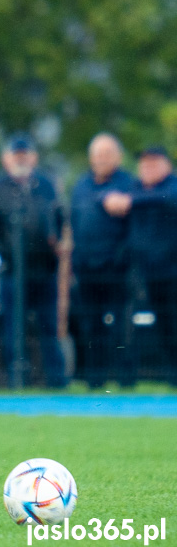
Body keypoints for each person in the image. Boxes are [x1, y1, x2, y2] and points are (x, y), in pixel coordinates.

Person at [0, 133, 67, 389]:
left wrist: (55, 243)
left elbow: (59, 217)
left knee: (49, 327)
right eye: (16, 156)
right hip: (14, 271)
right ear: (6, 159)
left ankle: (56, 382)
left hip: (44, 270)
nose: (21, 160)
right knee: (13, 328)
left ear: (34, 158)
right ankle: (14, 382)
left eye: (25, 155)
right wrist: (8, 252)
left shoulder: (46, 185)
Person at [103, 146, 177, 387]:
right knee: (161, 326)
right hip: (146, 272)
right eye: (144, 164)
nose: (148, 168)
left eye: (154, 163)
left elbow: (168, 197)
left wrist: (129, 201)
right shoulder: (136, 188)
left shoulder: (170, 187)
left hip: (172, 270)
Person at [69, 133, 132, 389]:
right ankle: (95, 381)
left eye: (107, 154)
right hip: (86, 269)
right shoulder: (82, 185)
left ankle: (125, 380)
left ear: (118, 157)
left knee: (120, 326)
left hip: (117, 269)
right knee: (91, 326)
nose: (101, 159)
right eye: (97, 155)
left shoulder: (128, 184)